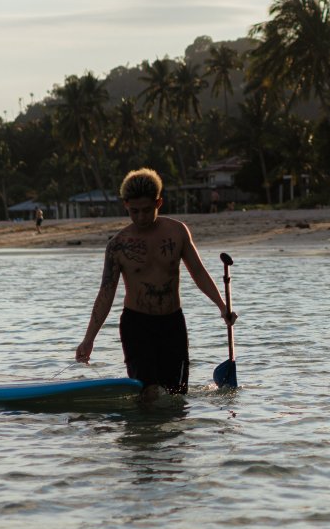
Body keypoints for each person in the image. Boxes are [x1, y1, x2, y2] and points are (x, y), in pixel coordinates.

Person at [75, 168, 235, 400]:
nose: (140, 217)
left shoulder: (178, 232)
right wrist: (89, 339)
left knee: (176, 396)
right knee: (147, 394)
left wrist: (222, 306)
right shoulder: (117, 245)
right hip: (136, 325)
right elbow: (106, 293)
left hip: (172, 324)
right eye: (134, 211)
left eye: (147, 210)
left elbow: (198, 272)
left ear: (159, 202)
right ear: (125, 205)